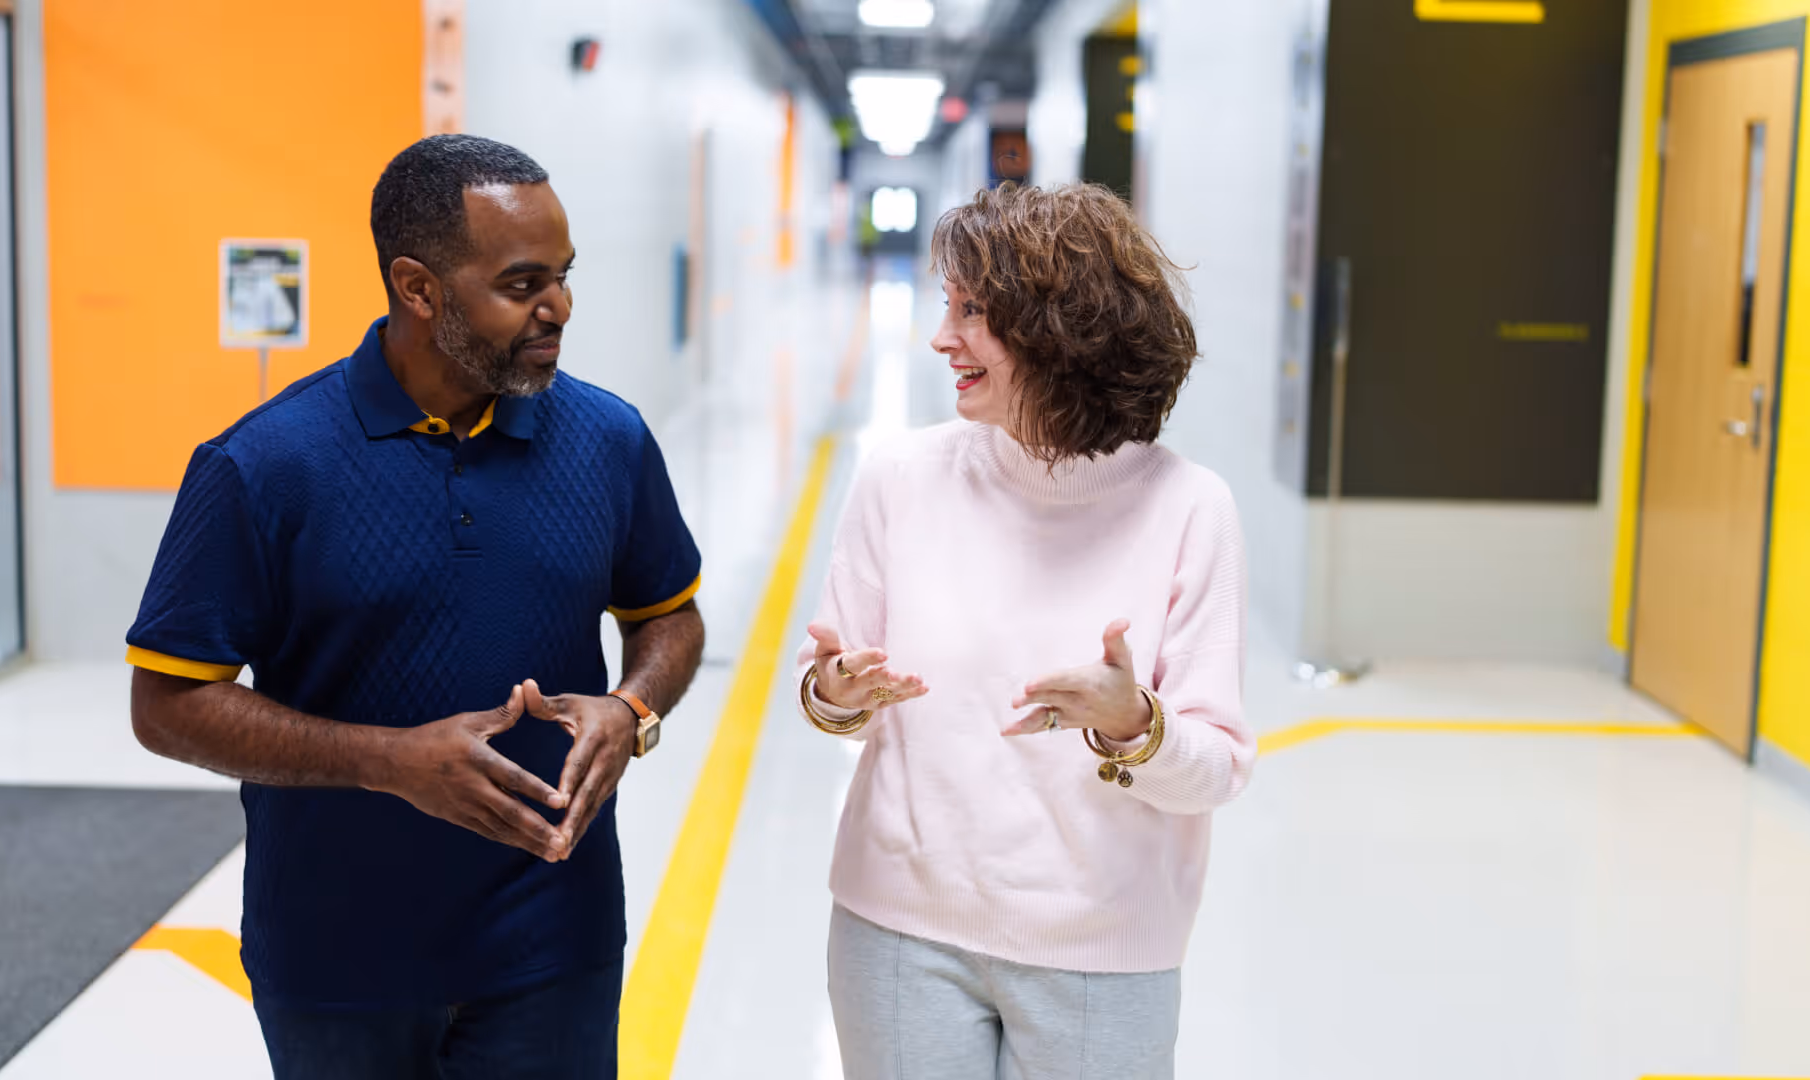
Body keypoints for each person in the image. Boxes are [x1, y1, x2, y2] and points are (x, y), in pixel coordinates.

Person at [126, 135, 704, 1079]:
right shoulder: (264, 465)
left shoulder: (608, 439)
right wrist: (385, 761)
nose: (557, 308)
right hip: (338, 955)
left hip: (555, 945)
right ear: (418, 287)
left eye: (562, 276)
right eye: (522, 285)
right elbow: (167, 704)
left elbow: (670, 617)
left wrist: (631, 707)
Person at [798, 182, 1254, 1079]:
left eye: (975, 313)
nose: (942, 337)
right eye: (947, 304)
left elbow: (1217, 769)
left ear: (1063, 331)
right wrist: (835, 694)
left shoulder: (1191, 509)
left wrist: (1135, 725)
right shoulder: (899, 478)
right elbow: (828, 696)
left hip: (1099, 954)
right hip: (897, 930)